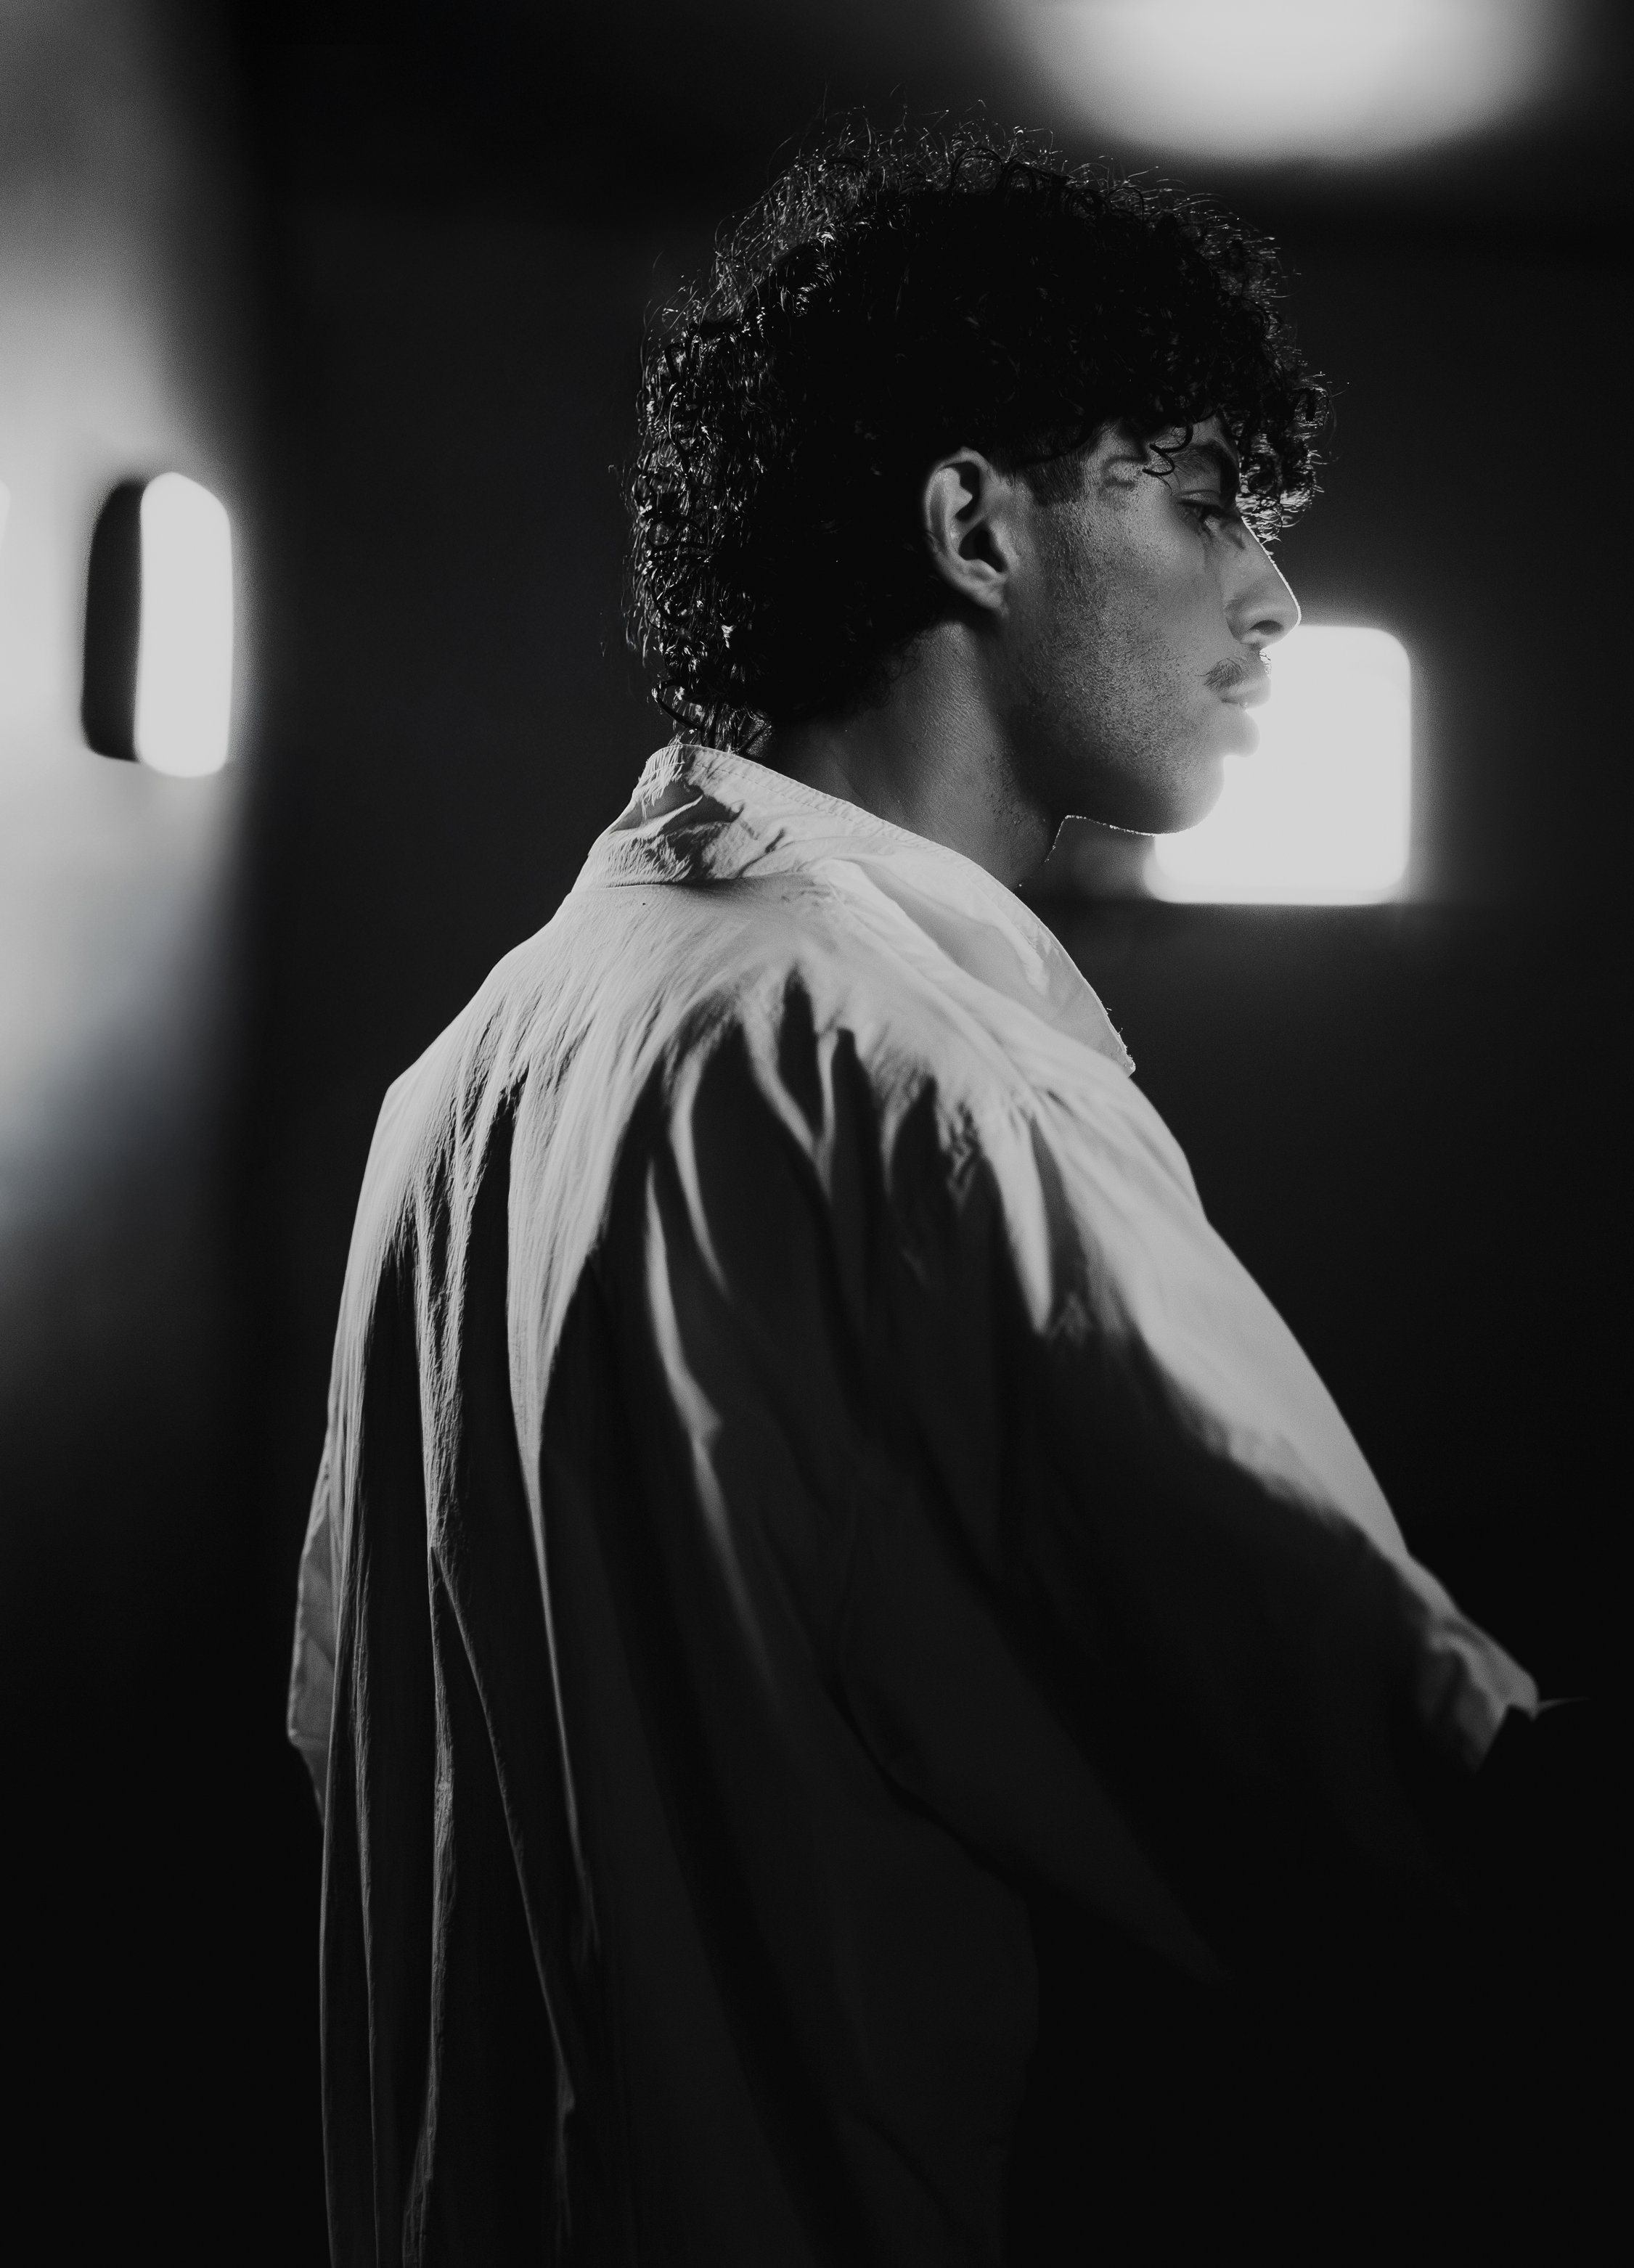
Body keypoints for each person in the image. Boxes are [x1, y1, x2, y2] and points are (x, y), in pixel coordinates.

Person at [287, 122, 1540, 2264]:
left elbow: (355, 1768)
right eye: (1204, 499)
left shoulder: (470, 1077)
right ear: (974, 526)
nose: (1272, 597)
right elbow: (1408, 1797)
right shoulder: (924, 1093)